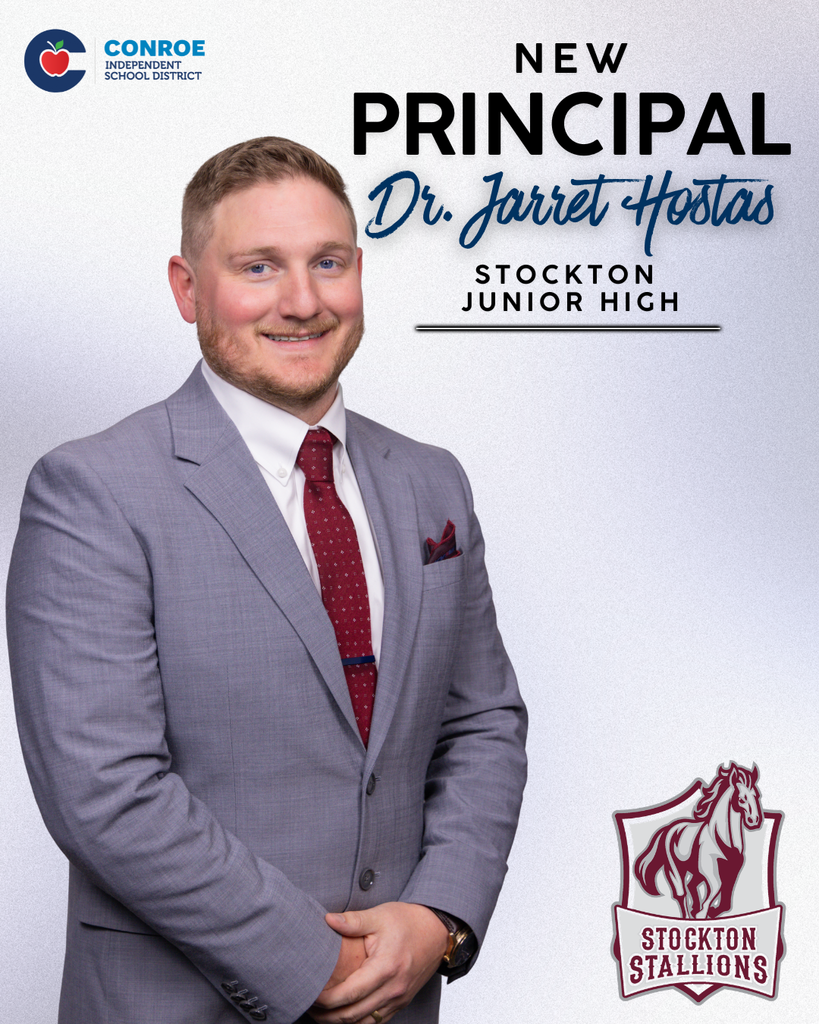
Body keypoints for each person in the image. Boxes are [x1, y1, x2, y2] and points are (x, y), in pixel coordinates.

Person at [7, 137, 527, 1024]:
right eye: (259, 267)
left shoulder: (431, 480)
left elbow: (482, 722)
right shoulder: (92, 490)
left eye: (327, 263)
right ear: (187, 289)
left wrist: (438, 918)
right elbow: (104, 792)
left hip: (401, 998)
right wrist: (319, 961)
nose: (302, 301)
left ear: (358, 273)